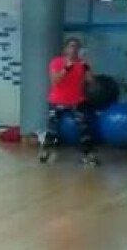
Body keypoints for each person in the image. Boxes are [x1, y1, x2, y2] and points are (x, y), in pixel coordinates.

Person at [39, 37, 99, 166]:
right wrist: (66, 68)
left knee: (84, 128)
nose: (74, 49)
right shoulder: (56, 62)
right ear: (65, 49)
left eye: (77, 46)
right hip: (57, 100)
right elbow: (55, 81)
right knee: (52, 129)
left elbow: (91, 81)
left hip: (77, 101)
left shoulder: (81, 64)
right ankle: (45, 151)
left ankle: (89, 155)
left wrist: (86, 67)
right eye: (71, 46)